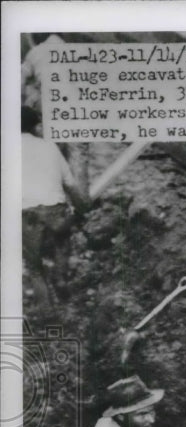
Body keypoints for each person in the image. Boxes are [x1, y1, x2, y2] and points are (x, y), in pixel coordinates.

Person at [22, 105, 87, 305]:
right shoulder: (49, 146)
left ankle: (48, 315)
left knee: (34, 269)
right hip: (55, 211)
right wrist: (83, 209)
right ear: (34, 127)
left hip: (26, 214)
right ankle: (60, 280)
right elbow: (71, 185)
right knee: (61, 247)